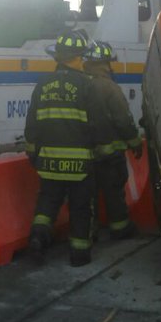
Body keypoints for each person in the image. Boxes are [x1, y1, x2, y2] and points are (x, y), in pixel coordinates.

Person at [24, 29, 110, 267]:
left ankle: (38, 238)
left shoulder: (42, 84)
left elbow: (32, 121)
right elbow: (98, 122)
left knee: (47, 204)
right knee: (81, 208)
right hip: (80, 164)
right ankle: (79, 254)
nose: (83, 61)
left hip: (48, 161)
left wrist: (33, 151)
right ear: (76, 57)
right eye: (82, 57)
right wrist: (102, 149)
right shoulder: (86, 84)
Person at [83, 40, 143, 240]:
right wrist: (134, 142)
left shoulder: (79, 84)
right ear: (106, 63)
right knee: (113, 191)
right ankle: (120, 228)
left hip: (83, 154)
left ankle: (87, 232)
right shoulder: (108, 87)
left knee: (85, 196)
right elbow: (122, 119)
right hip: (109, 155)